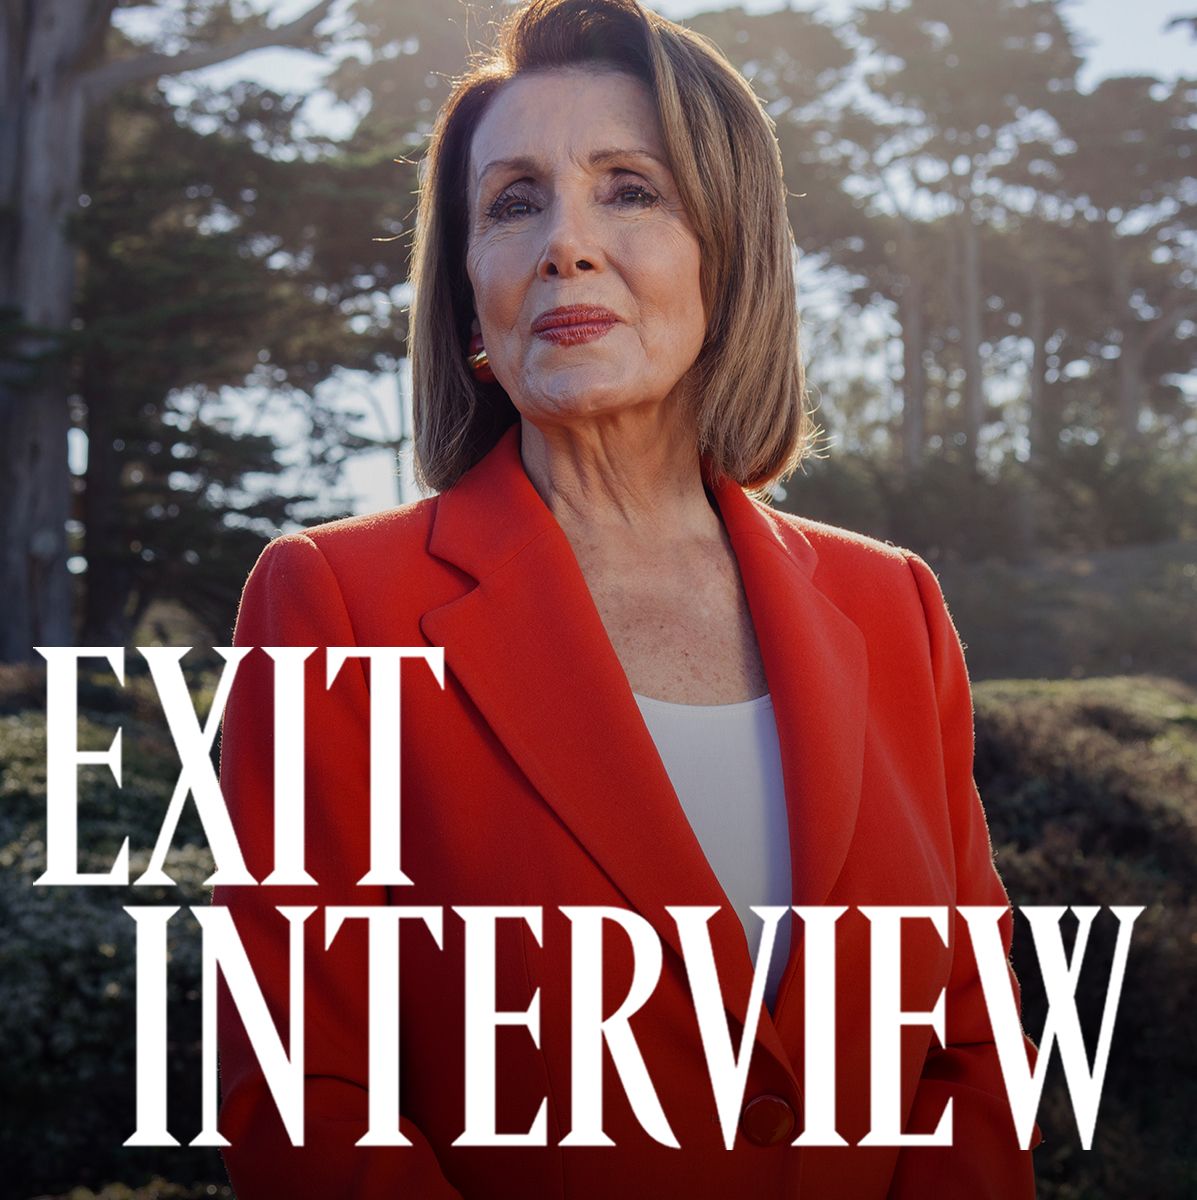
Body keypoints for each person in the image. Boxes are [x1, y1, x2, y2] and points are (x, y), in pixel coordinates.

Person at [214, 1, 1040, 1196]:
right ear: (469, 293)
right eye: (513, 204)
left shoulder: (895, 607)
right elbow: (308, 1096)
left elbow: (972, 1053)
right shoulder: (334, 605)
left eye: (630, 190)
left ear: (729, 251)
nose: (565, 243)